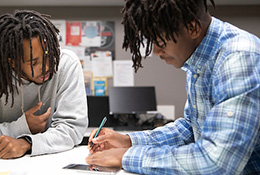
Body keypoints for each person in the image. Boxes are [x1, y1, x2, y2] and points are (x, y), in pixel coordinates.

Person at [86, 0, 260, 174]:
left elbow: (217, 162)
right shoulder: (200, 60)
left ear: (192, 28)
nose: (155, 51)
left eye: (161, 43)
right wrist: (128, 141)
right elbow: (190, 129)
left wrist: (125, 156)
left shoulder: (239, 57)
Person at [0, 10, 88, 159]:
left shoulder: (66, 64)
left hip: (50, 163)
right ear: (12, 62)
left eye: (49, 56)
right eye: (34, 62)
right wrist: (19, 128)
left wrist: (26, 143)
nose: (46, 67)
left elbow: (72, 128)